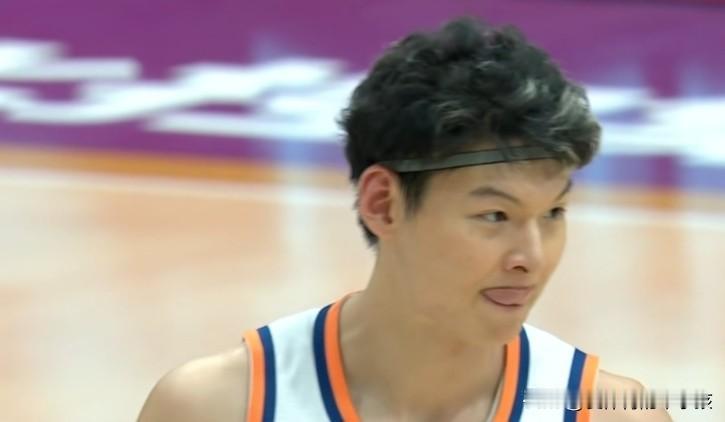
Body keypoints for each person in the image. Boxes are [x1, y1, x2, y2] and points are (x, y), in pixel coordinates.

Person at [138, 17, 672, 422]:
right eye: (495, 215)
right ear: (383, 205)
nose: (531, 257)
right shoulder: (215, 407)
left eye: (553, 212)